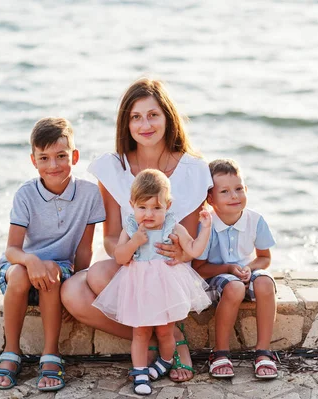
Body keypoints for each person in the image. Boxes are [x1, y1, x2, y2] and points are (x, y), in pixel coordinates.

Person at [61, 77, 213, 382]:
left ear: (168, 118)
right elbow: (111, 237)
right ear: (126, 123)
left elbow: (193, 241)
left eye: (153, 115)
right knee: (75, 291)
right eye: (136, 116)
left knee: (102, 277)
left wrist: (181, 253)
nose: (145, 124)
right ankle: (162, 342)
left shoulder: (193, 169)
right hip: (134, 262)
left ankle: (171, 337)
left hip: (173, 269)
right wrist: (129, 249)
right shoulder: (113, 168)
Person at [0, 117, 106, 391]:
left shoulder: (89, 194)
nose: (53, 165)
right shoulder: (26, 194)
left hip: (59, 273)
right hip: (21, 268)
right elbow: (12, 250)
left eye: (61, 156)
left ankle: (50, 354)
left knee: (53, 270)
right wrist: (32, 261)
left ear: (74, 156)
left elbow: (84, 248)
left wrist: (78, 286)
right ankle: (11, 352)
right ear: (34, 161)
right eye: (44, 158)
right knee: (19, 273)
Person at [93, 169, 212, 395]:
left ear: (168, 205)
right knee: (140, 332)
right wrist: (134, 242)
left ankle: (166, 360)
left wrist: (205, 228)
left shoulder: (172, 227)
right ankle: (140, 372)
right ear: (132, 204)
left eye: (157, 207)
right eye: (142, 207)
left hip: (166, 288)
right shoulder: (130, 228)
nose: (149, 214)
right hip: (139, 288)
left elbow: (194, 249)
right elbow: (119, 257)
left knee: (166, 332)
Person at [193, 158, 279, 380]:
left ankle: (263, 352)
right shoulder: (207, 224)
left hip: (243, 272)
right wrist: (230, 268)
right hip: (215, 278)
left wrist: (247, 268)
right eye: (225, 191)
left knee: (265, 282)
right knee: (234, 288)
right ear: (210, 198)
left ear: (246, 189)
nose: (234, 196)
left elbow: (264, 258)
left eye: (239, 189)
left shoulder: (256, 220)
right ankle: (220, 352)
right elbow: (199, 268)